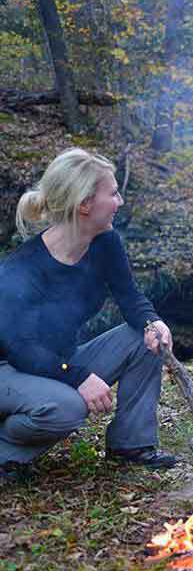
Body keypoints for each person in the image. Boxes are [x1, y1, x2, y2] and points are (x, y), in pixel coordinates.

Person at [0, 148, 176, 485]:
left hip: (55, 362)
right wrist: (77, 376)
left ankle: (131, 444)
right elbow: (21, 348)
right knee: (69, 406)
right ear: (84, 205)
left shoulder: (105, 243)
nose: (120, 201)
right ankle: (6, 449)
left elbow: (130, 298)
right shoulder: (22, 268)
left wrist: (153, 323)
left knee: (142, 339)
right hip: (9, 369)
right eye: (112, 193)